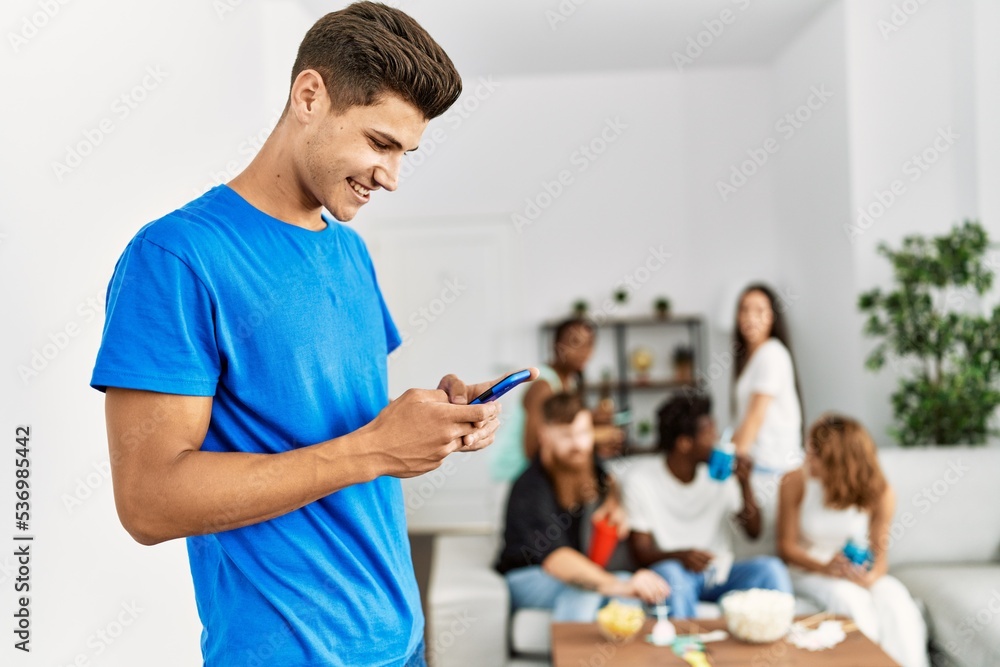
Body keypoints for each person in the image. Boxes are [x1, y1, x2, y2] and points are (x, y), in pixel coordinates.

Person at [89, 5, 533, 666]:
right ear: (309, 96)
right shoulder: (177, 257)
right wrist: (377, 447)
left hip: (400, 638)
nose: (392, 177)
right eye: (380, 143)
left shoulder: (350, 253)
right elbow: (148, 502)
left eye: (405, 154)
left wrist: (429, 423)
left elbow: (330, 420)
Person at [495, 393, 670, 621]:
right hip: (528, 575)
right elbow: (557, 560)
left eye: (584, 433)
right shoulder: (530, 489)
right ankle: (573, 646)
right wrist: (619, 585)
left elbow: (608, 479)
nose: (579, 444)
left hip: (575, 569)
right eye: (567, 435)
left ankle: (626, 645)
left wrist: (614, 501)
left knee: (627, 589)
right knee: (586, 590)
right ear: (544, 435)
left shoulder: (585, 462)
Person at [777, 414, 929, 667]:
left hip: (851, 571)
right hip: (808, 569)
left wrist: (869, 578)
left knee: (897, 601)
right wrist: (825, 568)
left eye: (816, 454)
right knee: (851, 601)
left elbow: (880, 556)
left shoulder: (880, 491)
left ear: (840, 461)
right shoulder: (794, 481)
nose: (807, 459)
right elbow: (786, 548)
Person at [625, 393, 792, 619]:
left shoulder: (719, 475)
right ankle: (685, 640)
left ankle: (786, 637)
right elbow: (640, 553)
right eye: (709, 434)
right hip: (678, 575)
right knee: (671, 574)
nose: (717, 440)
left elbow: (753, 531)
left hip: (721, 575)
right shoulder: (641, 480)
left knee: (771, 569)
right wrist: (681, 557)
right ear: (684, 443)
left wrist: (745, 484)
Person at [490, 317, 623, 482]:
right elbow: (533, 447)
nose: (584, 351)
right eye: (575, 342)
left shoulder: (569, 382)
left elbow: (561, 423)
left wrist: (593, 420)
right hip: (515, 476)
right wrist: (594, 437)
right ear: (556, 346)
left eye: (589, 344)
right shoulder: (543, 386)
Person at [729, 283, 805, 553]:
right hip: (760, 473)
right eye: (744, 310)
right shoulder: (752, 358)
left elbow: (755, 417)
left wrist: (728, 460)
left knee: (769, 546)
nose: (750, 317)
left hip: (773, 473)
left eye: (759, 311)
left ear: (773, 317)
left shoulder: (772, 354)